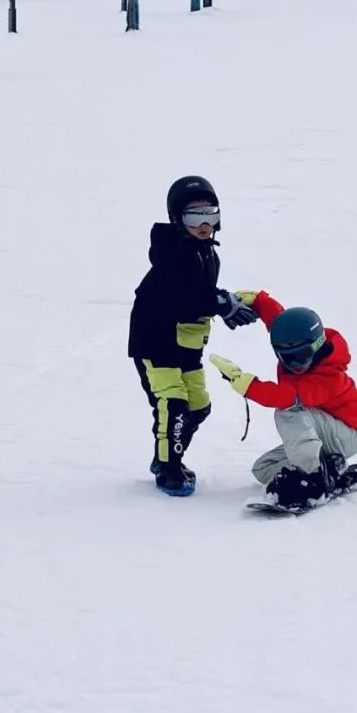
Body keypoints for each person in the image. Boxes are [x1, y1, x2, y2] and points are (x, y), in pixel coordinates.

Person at [128, 176, 257, 497]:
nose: (204, 224)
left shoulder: (206, 253)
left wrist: (228, 302)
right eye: (193, 217)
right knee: (173, 403)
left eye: (210, 215)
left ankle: (168, 457)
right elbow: (181, 295)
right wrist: (221, 304)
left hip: (187, 344)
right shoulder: (172, 252)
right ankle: (168, 467)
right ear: (176, 220)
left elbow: (201, 294)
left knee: (197, 406)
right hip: (156, 342)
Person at [209, 291, 357, 508]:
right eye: (286, 358)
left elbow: (285, 396)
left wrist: (248, 385)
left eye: (301, 357)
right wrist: (258, 301)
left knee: (289, 409)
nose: (294, 365)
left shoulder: (330, 375)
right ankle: (330, 471)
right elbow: (279, 320)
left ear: (316, 346)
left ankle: (312, 479)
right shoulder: (297, 342)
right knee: (263, 468)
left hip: (349, 432)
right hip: (324, 429)